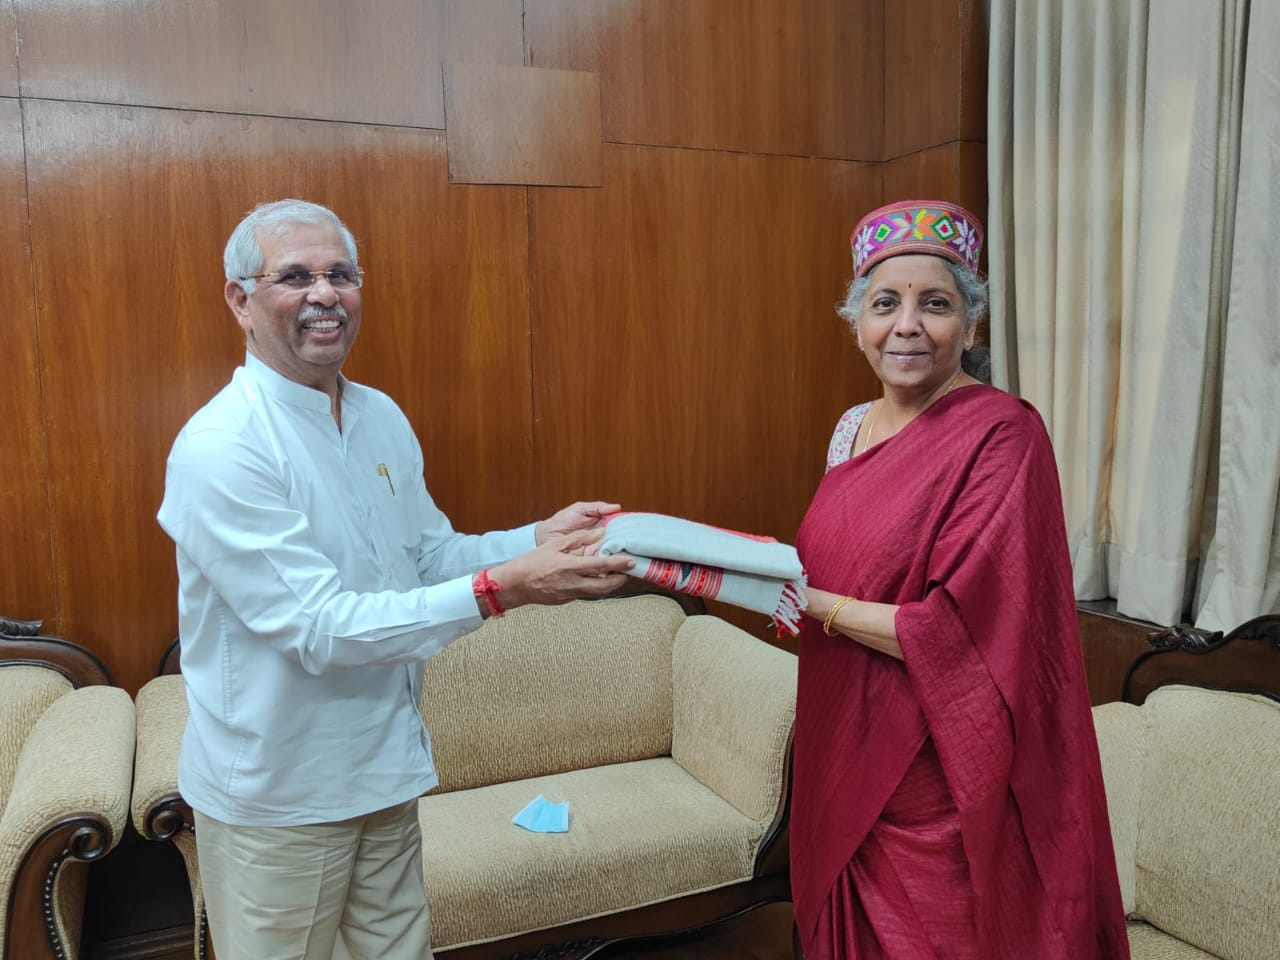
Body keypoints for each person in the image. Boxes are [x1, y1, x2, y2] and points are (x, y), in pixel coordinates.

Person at [156, 198, 634, 960]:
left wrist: (533, 540)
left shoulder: (379, 415)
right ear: (240, 301)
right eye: (295, 276)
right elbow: (319, 628)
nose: (324, 294)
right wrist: (503, 588)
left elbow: (427, 556)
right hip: (282, 797)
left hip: (384, 769)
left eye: (341, 274)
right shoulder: (222, 447)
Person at [791, 199, 1130, 959]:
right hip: (842, 730)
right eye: (885, 303)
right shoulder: (849, 430)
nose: (906, 324)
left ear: (970, 328)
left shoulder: (1004, 433)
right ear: (857, 325)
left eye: (934, 303)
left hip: (935, 769)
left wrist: (811, 604)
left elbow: (955, 629)